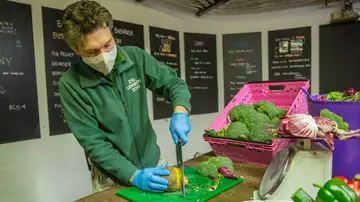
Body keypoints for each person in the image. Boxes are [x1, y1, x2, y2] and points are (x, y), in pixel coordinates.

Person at [59, 0, 192, 193]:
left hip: (156, 163)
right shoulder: (71, 84)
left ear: (112, 33)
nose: (104, 54)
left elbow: (173, 84)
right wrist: (133, 175)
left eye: (108, 44)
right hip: (113, 179)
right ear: (77, 50)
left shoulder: (135, 58)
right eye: (94, 51)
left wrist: (181, 112)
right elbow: (94, 143)